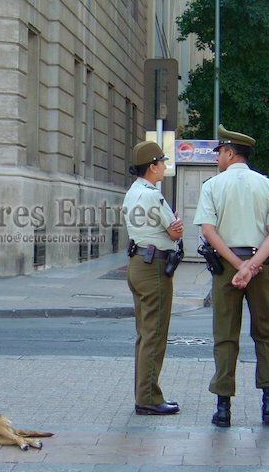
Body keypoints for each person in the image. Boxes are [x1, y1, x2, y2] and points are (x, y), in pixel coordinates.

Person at [193, 124, 269, 427]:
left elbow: (208, 231)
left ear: (230, 152)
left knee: (225, 336)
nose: (218, 157)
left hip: (226, 268)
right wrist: (252, 266)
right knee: (265, 333)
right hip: (260, 269)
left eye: (220, 151)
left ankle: (223, 409)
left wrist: (237, 265)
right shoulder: (268, 186)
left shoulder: (213, 185)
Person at [123, 141, 184, 415]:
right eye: (162, 162)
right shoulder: (152, 195)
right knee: (155, 336)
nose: (164, 166)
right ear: (152, 166)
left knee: (144, 335)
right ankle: (148, 398)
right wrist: (176, 227)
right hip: (153, 268)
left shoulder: (132, 193)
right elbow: (174, 232)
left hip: (137, 263)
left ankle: (143, 394)